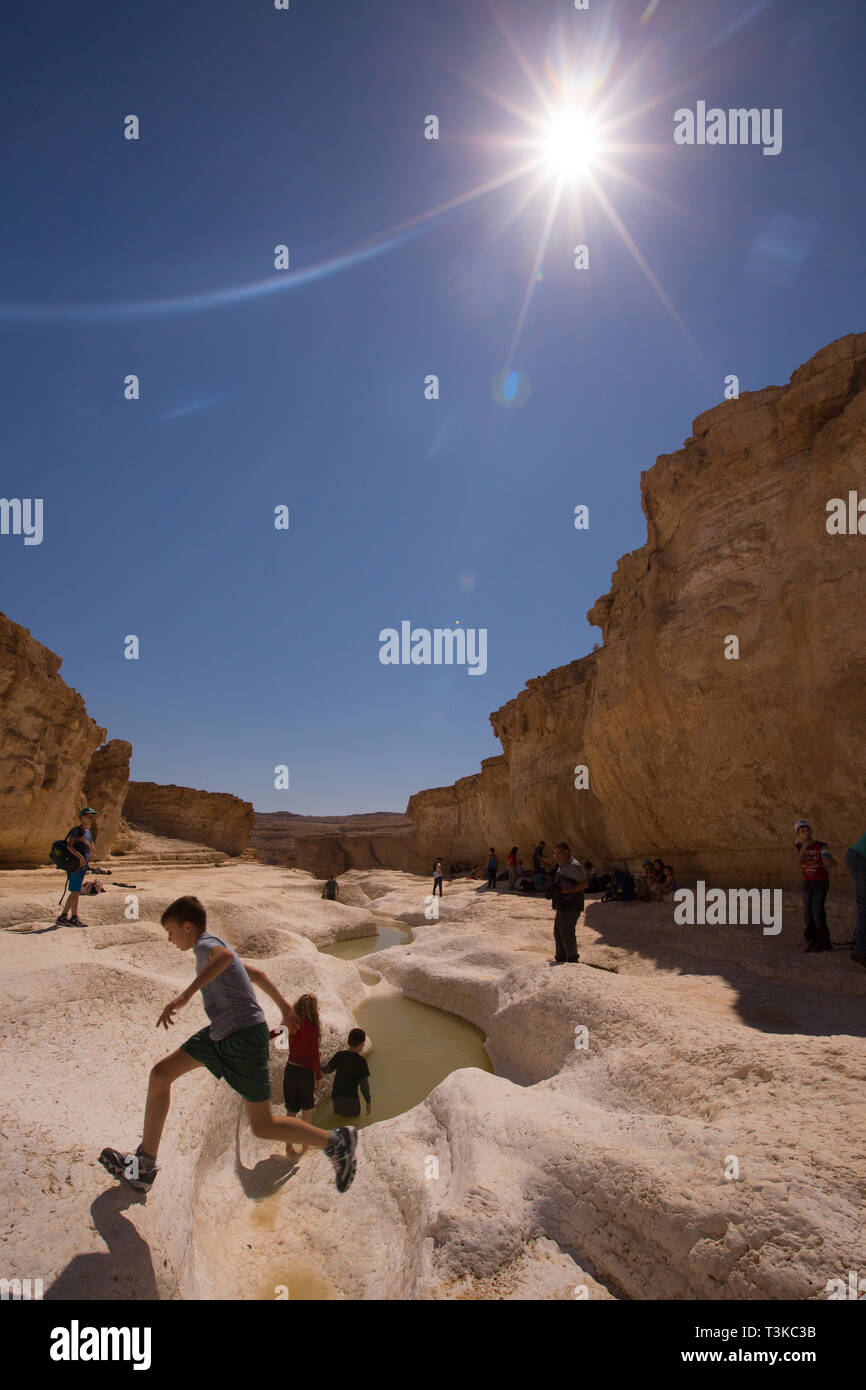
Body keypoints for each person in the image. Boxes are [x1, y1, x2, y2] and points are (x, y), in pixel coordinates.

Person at [97, 895, 357, 1194]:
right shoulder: (213, 945)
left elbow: (224, 960)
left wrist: (184, 996)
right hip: (220, 1034)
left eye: (171, 931)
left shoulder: (207, 946)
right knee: (161, 1075)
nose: (169, 938)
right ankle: (143, 1166)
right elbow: (257, 974)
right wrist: (284, 1007)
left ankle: (337, 1143)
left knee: (263, 1126)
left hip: (243, 1037)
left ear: (187, 926)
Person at [283, 993, 323, 1156]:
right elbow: (314, 1054)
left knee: (291, 1110)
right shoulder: (313, 1028)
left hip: (290, 1070)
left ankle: (289, 1146)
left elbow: (273, 1034)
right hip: (305, 1073)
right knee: (307, 1109)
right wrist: (318, 1077)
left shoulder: (292, 1024)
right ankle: (305, 1145)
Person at [794, 819, 836, 953]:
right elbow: (797, 862)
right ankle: (812, 939)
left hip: (820, 882)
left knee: (817, 911)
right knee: (807, 913)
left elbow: (832, 863)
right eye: (802, 832)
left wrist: (828, 861)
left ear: (811, 831)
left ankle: (824, 942)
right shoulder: (799, 847)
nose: (806, 834)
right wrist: (804, 847)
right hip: (808, 883)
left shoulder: (821, 846)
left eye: (808, 831)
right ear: (798, 835)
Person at [54, 807, 98, 927]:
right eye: (89, 816)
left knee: (75, 891)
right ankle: (74, 917)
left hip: (83, 867)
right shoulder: (76, 831)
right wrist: (80, 857)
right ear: (82, 817)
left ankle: (63, 916)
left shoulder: (88, 833)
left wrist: (86, 842)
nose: (91, 819)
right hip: (76, 866)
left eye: (92, 817)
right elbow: (69, 846)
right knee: (76, 892)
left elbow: (94, 850)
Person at [548, 842, 588, 965]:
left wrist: (570, 890)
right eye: (555, 855)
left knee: (567, 932)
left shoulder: (575, 866)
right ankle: (560, 957)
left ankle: (572, 958)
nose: (556, 857)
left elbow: (584, 883)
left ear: (566, 852)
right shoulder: (562, 865)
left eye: (558, 854)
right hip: (562, 904)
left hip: (571, 905)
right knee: (558, 931)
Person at [323, 1028, 371, 1119]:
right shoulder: (361, 1062)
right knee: (352, 1124)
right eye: (363, 1043)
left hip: (337, 1098)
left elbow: (327, 1069)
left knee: (338, 1119)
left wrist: (318, 1064)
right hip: (351, 1100)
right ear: (361, 1044)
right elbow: (364, 1085)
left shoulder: (340, 1055)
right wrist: (368, 1102)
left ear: (348, 1041)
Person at [844, 829, 866, 968]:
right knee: (865, 905)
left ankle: (858, 942)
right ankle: (861, 951)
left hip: (857, 857)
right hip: (860, 859)